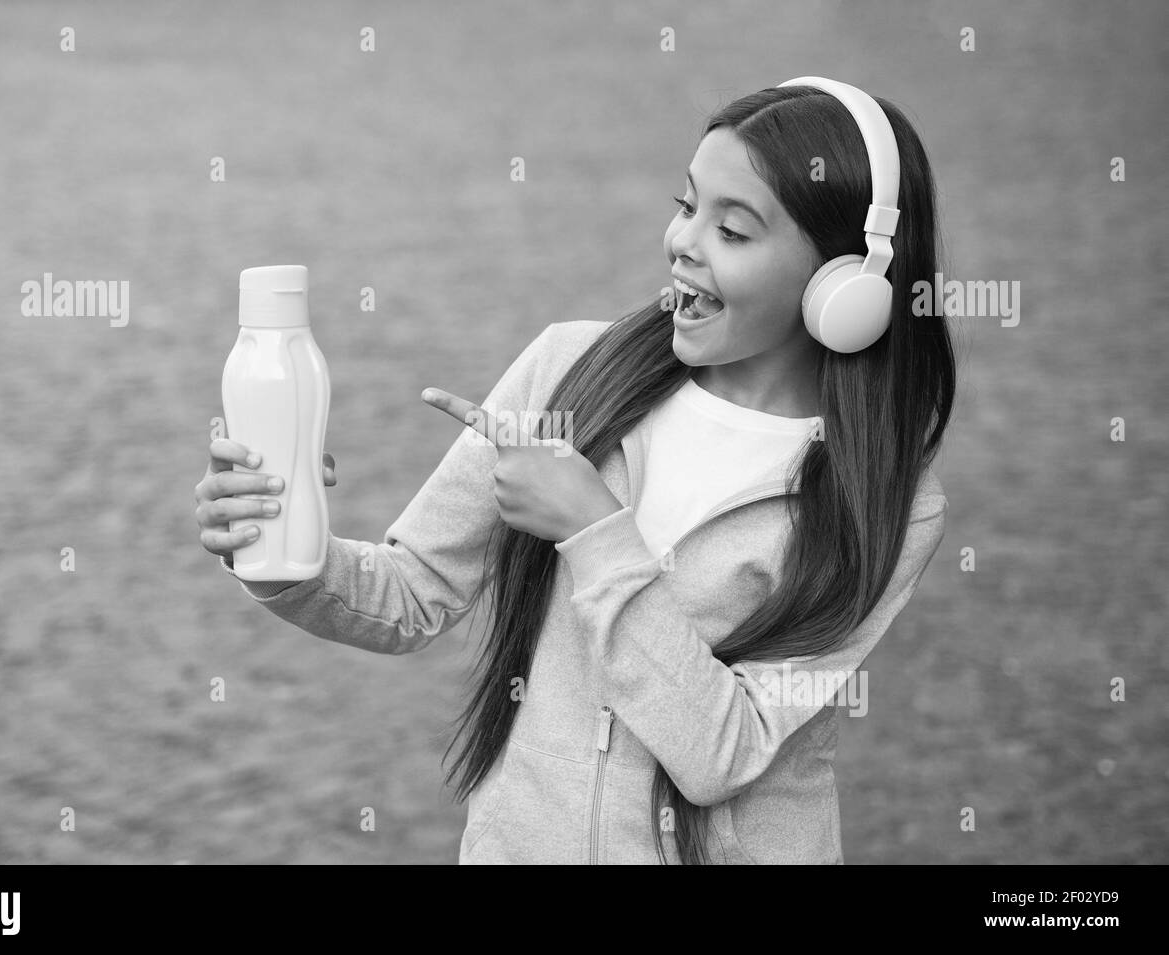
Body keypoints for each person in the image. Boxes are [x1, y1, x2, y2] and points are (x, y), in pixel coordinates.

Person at [193, 78, 955, 864]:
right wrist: (286, 553)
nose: (684, 241)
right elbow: (411, 594)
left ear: (845, 284)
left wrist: (593, 531)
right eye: (685, 204)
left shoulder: (888, 504)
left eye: (732, 230)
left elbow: (722, 751)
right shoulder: (568, 370)